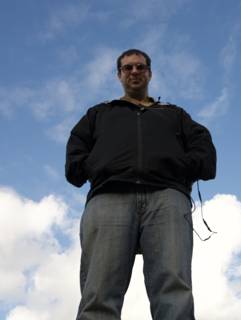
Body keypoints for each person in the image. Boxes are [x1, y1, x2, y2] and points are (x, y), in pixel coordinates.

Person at [65, 48, 216, 320]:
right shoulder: (99, 113)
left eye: (140, 67)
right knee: (99, 289)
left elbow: (202, 145)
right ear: (119, 74)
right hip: (109, 197)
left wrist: (181, 168)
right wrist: (94, 167)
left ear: (149, 73)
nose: (134, 71)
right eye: (127, 68)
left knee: (173, 287)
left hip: (168, 198)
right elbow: (76, 149)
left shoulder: (174, 114)